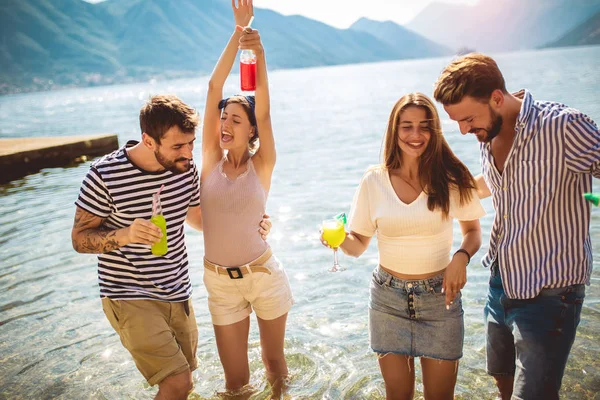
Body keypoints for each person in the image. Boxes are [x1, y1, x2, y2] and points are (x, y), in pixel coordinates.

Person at [71, 94, 271, 400]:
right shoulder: (104, 176)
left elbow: (201, 219)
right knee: (177, 383)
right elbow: (79, 239)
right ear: (149, 141)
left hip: (178, 292)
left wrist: (251, 220)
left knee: (186, 382)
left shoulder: (185, 169)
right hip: (128, 294)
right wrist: (125, 235)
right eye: (178, 146)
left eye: (190, 143)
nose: (188, 153)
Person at [433, 53, 600, 400]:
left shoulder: (564, 126)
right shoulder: (488, 130)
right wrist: (433, 193)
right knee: (503, 383)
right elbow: (499, 183)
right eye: (457, 122)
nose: (464, 130)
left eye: (467, 119)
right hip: (501, 284)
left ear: (496, 97)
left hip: (550, 294)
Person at [323, 92, 485, 399]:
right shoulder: (374, 181)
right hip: (387, 299)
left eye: (424, 126)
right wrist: (339, 238)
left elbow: (473, 232)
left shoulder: (451, 177)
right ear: (394, 129)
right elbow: (358, 246)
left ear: (434, 131)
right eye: (407, 126)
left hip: (441, 299)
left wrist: (461, 257)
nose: (415, 135)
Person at [199, 0, 293, 396]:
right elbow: (213, 88)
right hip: (219, 284)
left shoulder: (262, 165)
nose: (225, 124)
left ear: (251, 131)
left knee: (275, 368)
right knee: (235, 382)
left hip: (264, 278)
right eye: (224, 118)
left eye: (236, 120)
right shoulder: (208, 163)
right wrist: (238, 33)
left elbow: (267, 113)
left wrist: (260, 53)